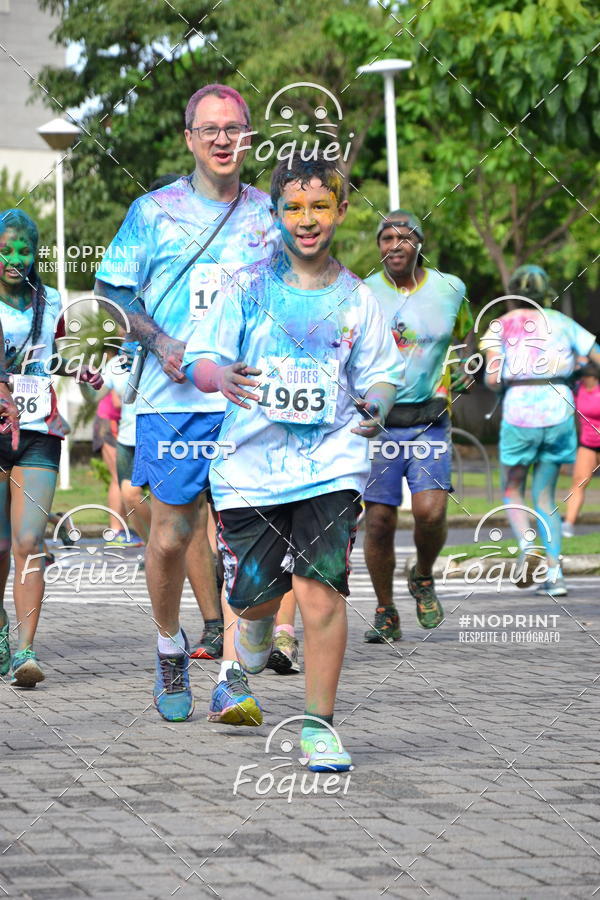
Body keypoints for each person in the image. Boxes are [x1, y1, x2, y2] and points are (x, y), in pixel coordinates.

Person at [183, 153, 404, 770]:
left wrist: (379, 404)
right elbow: (201, 360)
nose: (308, 220)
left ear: (340, 210)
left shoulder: (358, 299)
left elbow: (383, 374)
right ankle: (250, 632)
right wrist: (218, 374)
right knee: (254, 597)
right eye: (294, 208)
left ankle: (319, 725)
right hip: (249, 469)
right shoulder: (246, 290)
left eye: (320, 207)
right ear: (276, 214)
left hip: (332, 461)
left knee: (322, 588)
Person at [94, 84, 279, 721]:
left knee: (246, 541)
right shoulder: (152, 213)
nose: (224, 140)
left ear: (248, 136)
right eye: (211, 130)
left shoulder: (270, 213)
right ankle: (170, 644)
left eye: (235, 129)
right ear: (190, 139)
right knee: (172, 536)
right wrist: (164, 342)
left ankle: (232, 674)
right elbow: (111, 294)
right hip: (171, 399)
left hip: (250, 401)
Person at [0, 209, 102, 685]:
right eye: (5, 249)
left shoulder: (52, 300)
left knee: (27, 541)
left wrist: (83, 370)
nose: (14, 258)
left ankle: (25, 650)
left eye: (22, 249)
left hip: (40, 431)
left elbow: (58, 357)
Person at [362, 211, 472, 643]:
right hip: (380, 423)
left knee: (431, 512)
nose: (395, 244)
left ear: (419, 244)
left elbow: (464, 338)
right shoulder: (362, 293)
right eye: (386, 237)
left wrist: (463, 365)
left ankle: (423, 575)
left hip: (429, 418)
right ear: (379, 246)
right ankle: (385, 609)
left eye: (405, 237)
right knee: (380, 522)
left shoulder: (450, 288)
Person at [481, 264, 600, 597]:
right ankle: (555, 575)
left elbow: (492, 378)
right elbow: (595, 356)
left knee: (512, 490)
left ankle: (528, 547)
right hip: (559, 410)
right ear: (546, 291)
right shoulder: (561, 322)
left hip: (520, 413)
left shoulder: (499, 327)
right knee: (546, 496)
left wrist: (501, 382)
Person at [563, 361, 600, 536]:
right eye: (584, 376)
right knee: (579, 481)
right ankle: (568, 524)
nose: (586, 379)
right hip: (588, 444)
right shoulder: (578, 389)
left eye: (589, 376)